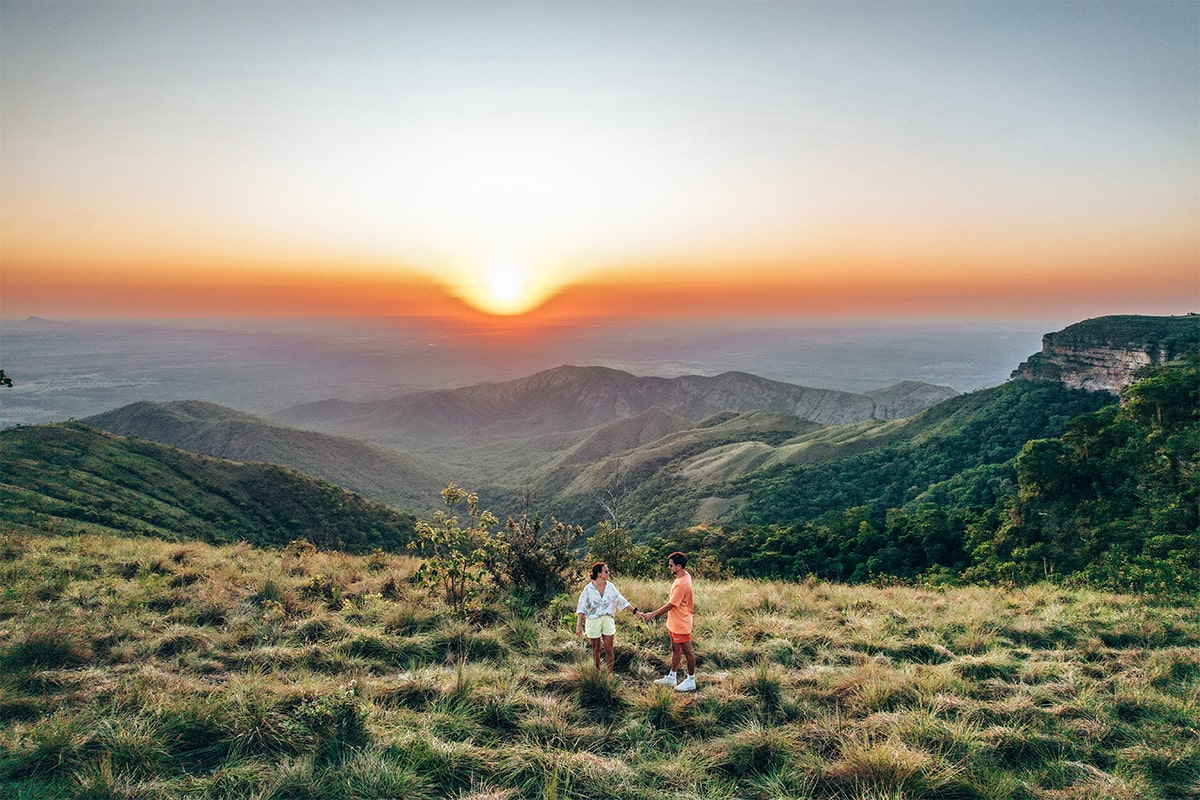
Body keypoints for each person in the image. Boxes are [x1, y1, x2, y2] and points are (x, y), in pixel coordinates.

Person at [639, 551, 696, 691]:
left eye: (671, 565)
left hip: (681, 623)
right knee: (675, 648)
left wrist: (652, 614)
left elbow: (671, 605)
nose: (669, 567)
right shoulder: (683, 575)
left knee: (687, 651)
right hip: (675, 621)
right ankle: (672, 677)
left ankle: (691, 680)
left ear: (679, 566)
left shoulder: (682, 583)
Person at [575, 561, 638, 671]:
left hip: (608, 620)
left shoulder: (610, 587)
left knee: (609, 649)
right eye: (606, 571)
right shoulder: (588, 589)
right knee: (596, 649)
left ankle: (609, 674)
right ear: (599, 574)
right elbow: (582, 606)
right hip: (593, 621)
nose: (609, 573)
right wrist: (578, 625)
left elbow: (621, 600)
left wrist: (636, 612)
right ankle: (597, 672)